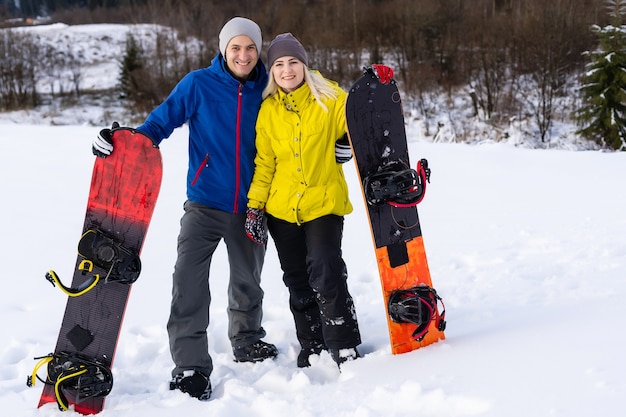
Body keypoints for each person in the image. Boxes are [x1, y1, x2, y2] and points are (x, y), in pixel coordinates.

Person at [92, 17, 277, 401]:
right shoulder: (198, 84)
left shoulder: (270, 86)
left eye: (251, 48)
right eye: (236, 47)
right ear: (223, 49)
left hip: (253, 205)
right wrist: (121, 143)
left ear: (260, 51)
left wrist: (339, 145)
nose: (243, 55)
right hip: (204, 204)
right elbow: (158, 124)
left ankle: (246, 340)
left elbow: (303, 125)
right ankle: (190, 364)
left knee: (248, 280)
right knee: (188, 282)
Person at [244, 32, 394, 368]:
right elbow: (265, 163)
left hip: (323, 203)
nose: (287, 70)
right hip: (282, 209)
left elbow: (358, 125)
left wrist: (349, 138)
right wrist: (255, 206)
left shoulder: (330, 97)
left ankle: (343, 343)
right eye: (279, 64)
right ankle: (311, 342)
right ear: (272, 71)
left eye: (293, 62)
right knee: (296, 278)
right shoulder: (268, 111)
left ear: (304, 65)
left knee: (326, 270)